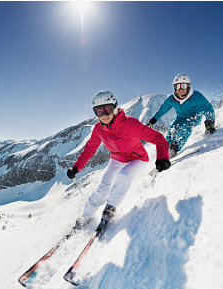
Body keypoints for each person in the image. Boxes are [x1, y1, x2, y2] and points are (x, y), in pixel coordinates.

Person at [67, 90, 171, 232]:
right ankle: (86, 216)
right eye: (98, 112)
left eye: (107, 110)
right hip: (117, 159)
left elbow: (158, 138)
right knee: (103, 187)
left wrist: (162, 157)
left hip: (137, 159)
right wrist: (76, 168)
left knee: (123, 177)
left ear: (115, 107)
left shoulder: (129, 124)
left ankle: (110, 209)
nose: (103, 115)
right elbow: (89, 149)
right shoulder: (98, 129)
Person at [148, 73, 216, 158]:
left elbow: (208, 108)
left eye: (183, 86)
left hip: (194, 117)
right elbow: (163, 109)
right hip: (180, 118)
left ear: (188, 86)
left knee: (186, 127)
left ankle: (174, 148)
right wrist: (154, 119)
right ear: (174, 88)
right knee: (172, 131)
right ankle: (163, 152)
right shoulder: (172, 99)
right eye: (177, 86)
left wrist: (210, 123)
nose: (180, 89)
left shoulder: (196, 96)